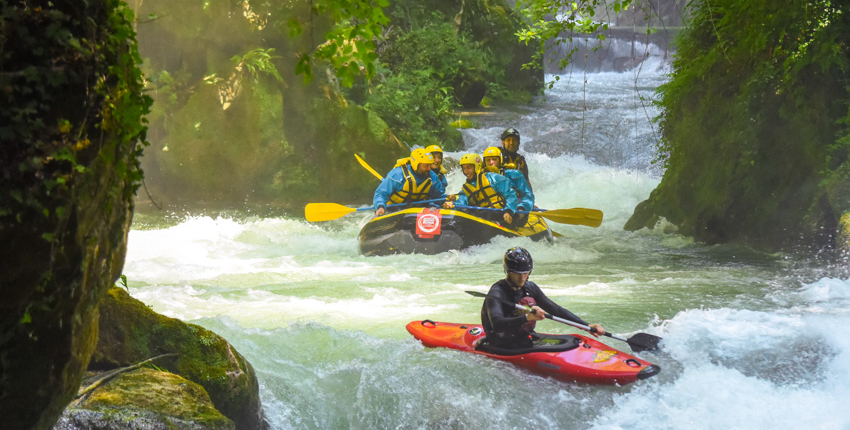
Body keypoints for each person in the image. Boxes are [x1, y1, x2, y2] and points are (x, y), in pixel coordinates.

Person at [480, 247, 605, 349]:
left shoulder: (530, 287)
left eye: (526, 272)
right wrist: (527, 317)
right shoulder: (497, 292)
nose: (522, 278)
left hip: (523, 337)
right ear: (508, 271)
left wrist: (586, 325)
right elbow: (497, 324)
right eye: (517, 273)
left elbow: (555, 309)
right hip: (500, 342)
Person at [446, 153, 518, 225]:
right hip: (481, 216)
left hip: (500, 212)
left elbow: (511, 195)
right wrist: (452, 205)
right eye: (464, 168)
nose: (466, 172)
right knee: (463, 213)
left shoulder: (493, 178)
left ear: (477, 167)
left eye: (468, 168)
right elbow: (461, 202)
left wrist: (508, 211)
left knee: (485, 213)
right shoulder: (466, 189)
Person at [373, 148, 448, 216]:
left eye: (430, 165)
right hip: (393, 211)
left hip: (416, 213)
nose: (429, 169)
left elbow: (439, 197)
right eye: (426, 165)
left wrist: (445, 202)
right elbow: (381, 193)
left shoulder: (433, 177)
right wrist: (380, 206)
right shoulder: (397, 174)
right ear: (416, 165)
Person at [483, 146, 534, 226]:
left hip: (515, 210)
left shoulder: (514, 174)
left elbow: (528, 195)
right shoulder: (482, 177)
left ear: (500, 160)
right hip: (493, 210)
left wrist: (522, 208)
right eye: (488, 160)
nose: (491, 162)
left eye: (494, 159)